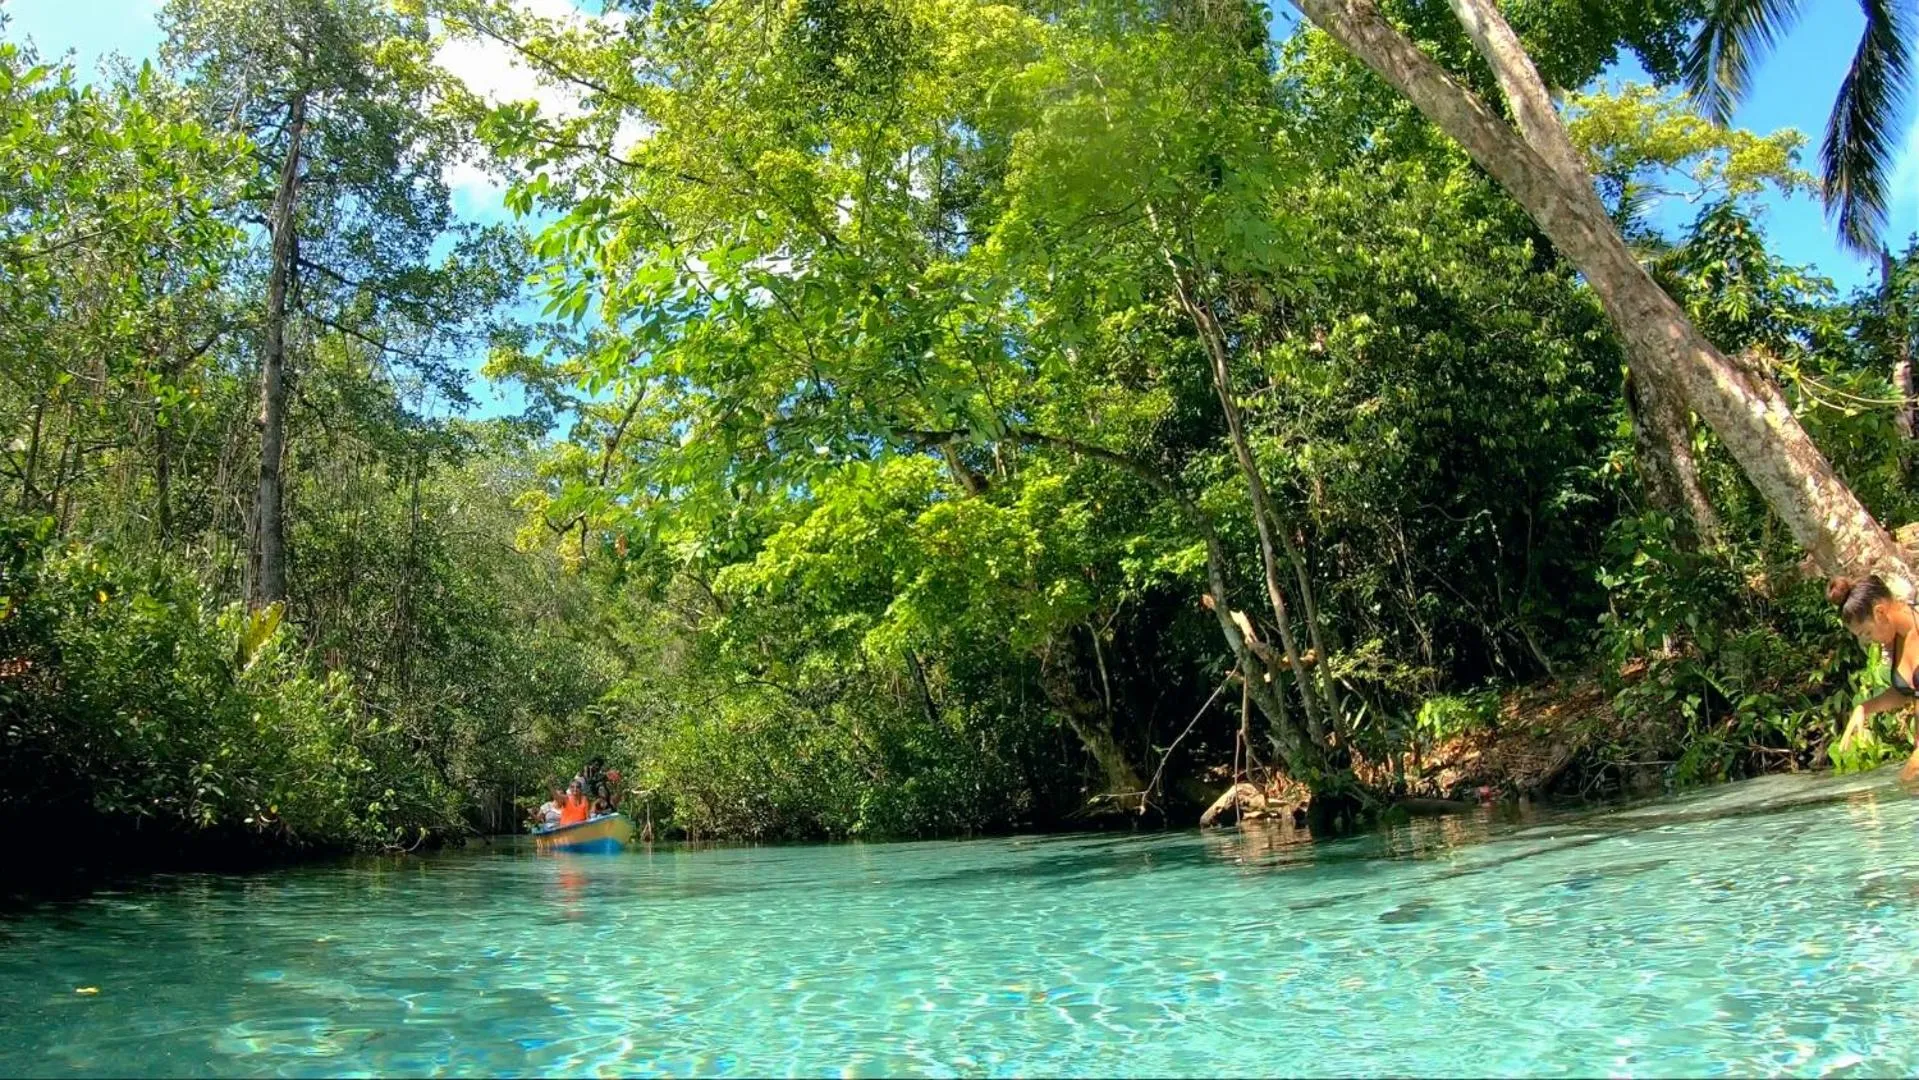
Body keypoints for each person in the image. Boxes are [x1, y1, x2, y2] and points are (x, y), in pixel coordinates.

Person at [1830, 575, 1919, 781]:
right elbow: (1906, 691)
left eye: (1867, 633)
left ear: (1880, 612)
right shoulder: (1899, 639)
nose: (1870, 642)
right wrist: (1864, 708)